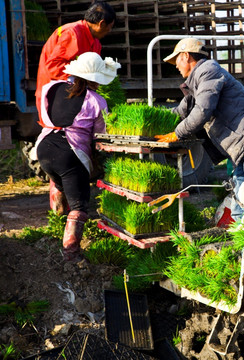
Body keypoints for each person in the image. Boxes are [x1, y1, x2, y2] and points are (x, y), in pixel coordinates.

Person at [155, 38, 244, 222]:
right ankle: (241, 247)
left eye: (177, 60)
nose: (176, 66)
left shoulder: (208, 71)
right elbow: (180, 111)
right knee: (240, 206)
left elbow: (202, 110)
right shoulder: (196, 82)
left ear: (186, 56)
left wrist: (177, 133)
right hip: (242, 149)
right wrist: (153, 118)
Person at [35, 52, 121, 261]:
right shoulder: (96, 101)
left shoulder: (52, 88)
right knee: (80, 205)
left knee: (61, 180)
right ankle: (71, 255)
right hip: (69, 152)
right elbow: (101, 135)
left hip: (43, 147)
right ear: (95, 79)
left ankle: (57, 219)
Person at [35, 1, 116, 214]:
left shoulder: (95, 42)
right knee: (65, 148)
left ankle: (68, 204)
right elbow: (52, 66)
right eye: (109, 26)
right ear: (100, 23)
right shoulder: (72, 33)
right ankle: (61, 209)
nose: (109, 31)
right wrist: (80, 82)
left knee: (74, 146)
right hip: (59, 97)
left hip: (76, 96)